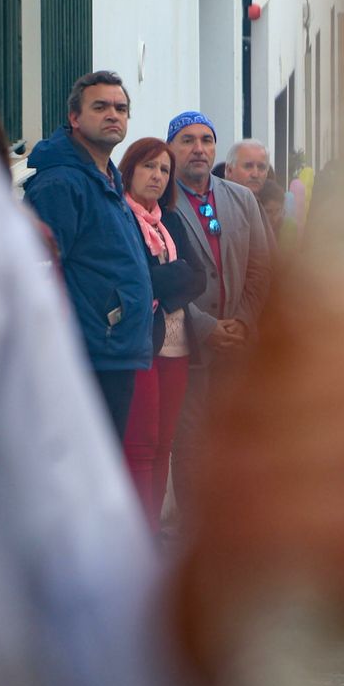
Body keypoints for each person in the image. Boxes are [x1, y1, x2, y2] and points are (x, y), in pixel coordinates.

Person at [0, 115, 344, 686]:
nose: (190, 157)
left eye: (205, 144)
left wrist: (217, 597)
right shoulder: (76, 196)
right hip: (166, 343)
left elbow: (68, 547)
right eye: (178, 148)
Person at [24, 71, 153, 434]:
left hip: (114, 353)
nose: (114, 114)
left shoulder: (107, 177)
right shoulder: (61, 183)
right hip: (86, 358)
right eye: (100, 107)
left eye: (121, 108)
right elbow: (40, 272)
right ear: (75, 118)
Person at [165, 111, 274, 508]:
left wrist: (243, 320)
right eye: (188, 140)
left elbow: (262, 267)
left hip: (238, 346)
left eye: (206, 140)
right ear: (171, 148)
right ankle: (193, 529)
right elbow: (161, 276)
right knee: (191, 440)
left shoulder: (241, 198)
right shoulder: (162, 202)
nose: (199, 149)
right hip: (189, 345)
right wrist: (208, 326)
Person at [117, 138, 206, 527]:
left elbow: (198, 276)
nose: (157, 176)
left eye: (164, 170)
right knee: (140, 445)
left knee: (164, 445)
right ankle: (139, 536)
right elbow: (135, 280)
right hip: (142, 343)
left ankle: (150, 528)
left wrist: (163, 286)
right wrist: (170, 278)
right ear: (130, 169)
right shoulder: (120, 216)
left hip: (178, 344)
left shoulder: (169, 220)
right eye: (149, 167)